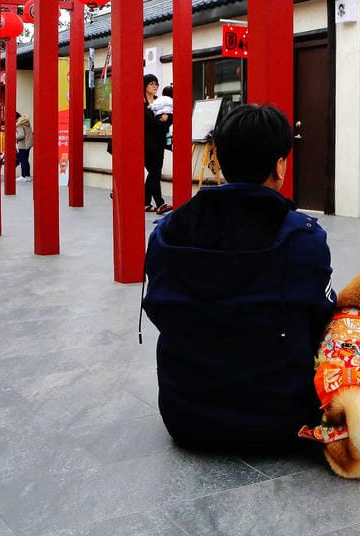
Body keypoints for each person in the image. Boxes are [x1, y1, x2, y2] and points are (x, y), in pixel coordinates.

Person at [142, 103, 336, 451]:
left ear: (219, 159)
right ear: (280, 165)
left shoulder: (167, 232)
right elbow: (321, 318)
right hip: (284, 418)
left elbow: (159, 311)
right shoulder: (304, 238)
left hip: (187, 418)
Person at [143, 74, 172, 214]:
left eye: (156, 84)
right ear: (145, 85)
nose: (155, 86)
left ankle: (145, 203)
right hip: (146, 142)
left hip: (159, 141)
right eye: (151, 83)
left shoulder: (160, 100)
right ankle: (160, 203)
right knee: (154, 172)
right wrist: (162, 120)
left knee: (155, 172)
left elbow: (171, 115)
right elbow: (146, 121)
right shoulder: (141, 101)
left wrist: (166, 119)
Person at [14, 111, 33, 181]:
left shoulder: (19, 124)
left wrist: (15, 136)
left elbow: (21, 135)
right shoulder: (26, 123)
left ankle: (23, 176)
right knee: (26, 160)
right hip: (28, 144)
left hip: (23, 144)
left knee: (23, 160)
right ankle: (27, 176)